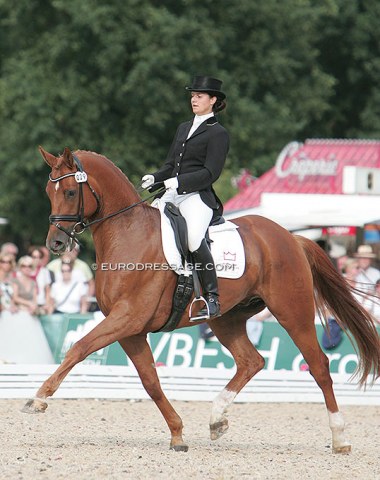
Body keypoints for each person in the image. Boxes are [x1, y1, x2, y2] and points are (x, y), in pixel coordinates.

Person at [141, 76, 230, 319]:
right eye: (192, 95)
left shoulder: (218, 133)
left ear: (213, 100)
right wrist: (156, 177)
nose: (194, 99)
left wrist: (179, 182)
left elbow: (210, 173)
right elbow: (171, 164)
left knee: (192, 239)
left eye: (199, 96)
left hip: (197, 197)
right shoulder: (183, 127)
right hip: (172, 192)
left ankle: (212, 298)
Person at [29, 246, 53, 315]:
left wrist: (47, 304)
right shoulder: (26, 269)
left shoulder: (44, 271)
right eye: (34, 257)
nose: (36, 259)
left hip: (41, 303)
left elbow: (47, 290)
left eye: (39, 257)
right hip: (28, 303)